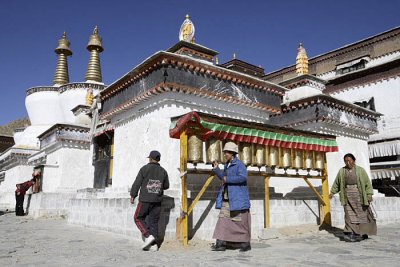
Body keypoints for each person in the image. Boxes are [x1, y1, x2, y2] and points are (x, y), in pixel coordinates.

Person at [211, 141, 251, 252]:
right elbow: (223, 177)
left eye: (226, 153)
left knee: (240, 222)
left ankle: (245, 244)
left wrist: (228, 179)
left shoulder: (240, 165)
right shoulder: (227, 165)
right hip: (227, 198)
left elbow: (243, 177)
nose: (225, 155)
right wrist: (217, 169)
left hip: (237, 198)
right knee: (223, 220)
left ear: (232, 153)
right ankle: (220, 244)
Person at [330, 153, 377, 242]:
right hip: (347, 196)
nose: (348, 163)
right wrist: (332, 192)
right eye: (346, 161)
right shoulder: (341, 171)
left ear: (354, 161)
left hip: (359, 196)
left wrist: (369, 194)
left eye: (349, 160)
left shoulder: (360, 170)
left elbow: (367, 183)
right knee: (349, 215)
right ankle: (350, 233)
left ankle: (363, 232)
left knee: (362, 215)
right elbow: (337, 183)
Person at [130, 150, 169, 251]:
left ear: (150, 158)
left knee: (137, 217)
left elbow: (137, 183)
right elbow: (166, 186)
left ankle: (148, 236)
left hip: (145, 200)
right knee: (153, 222)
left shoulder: (144, 169)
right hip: (157, 201)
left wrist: (133, 195)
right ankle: (154, 245)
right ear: (158, 159)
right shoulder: (163, 171)